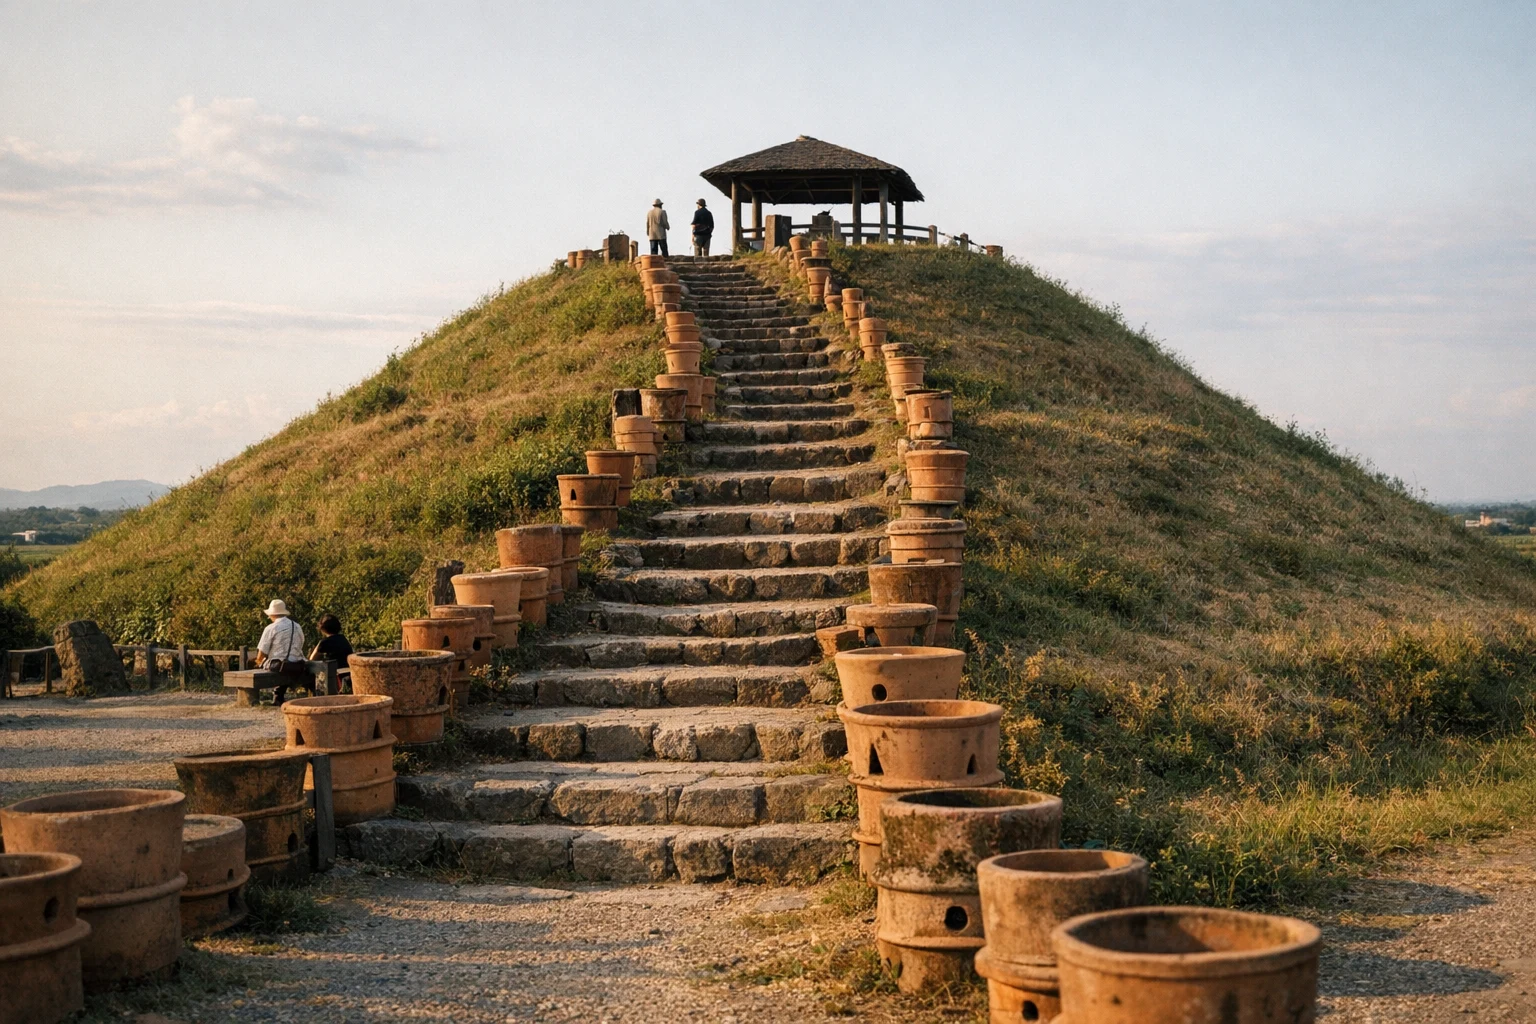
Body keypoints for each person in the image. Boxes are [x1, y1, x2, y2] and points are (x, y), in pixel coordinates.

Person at [256, 599, 309, 705]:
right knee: (285, 663)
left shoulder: (271, 628)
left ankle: (275, 695)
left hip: (279, 666)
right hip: (297, 664)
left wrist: (258, 662)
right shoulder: (297, 626)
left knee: (268, 664)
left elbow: (262, 652)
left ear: (272, 614)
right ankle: (278, 696)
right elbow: (301, 643)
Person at [309, 613, 354, 693]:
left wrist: (319, 644)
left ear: (322, 628)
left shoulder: (324, 642)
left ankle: (317, 693)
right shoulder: (343, 639)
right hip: (348, 673)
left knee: (312, 668)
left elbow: (312, 659)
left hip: (335, 675)